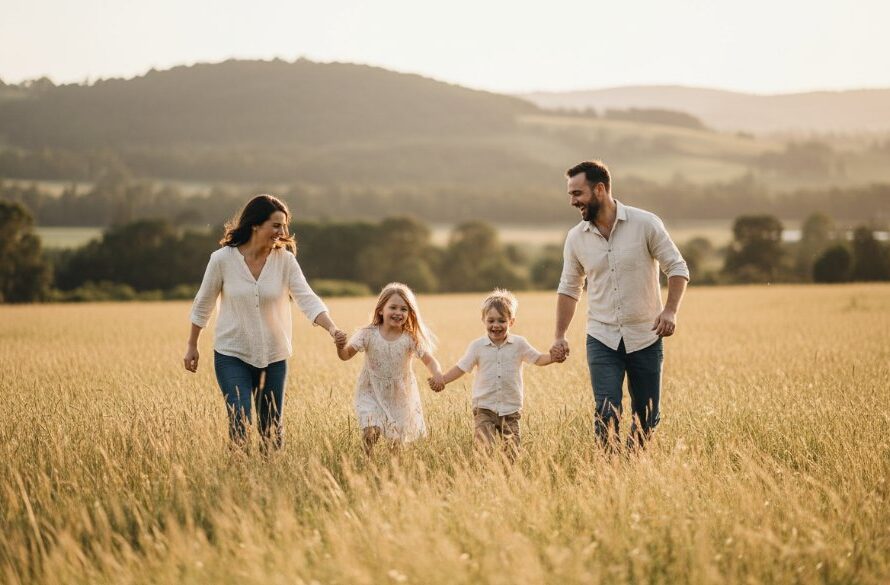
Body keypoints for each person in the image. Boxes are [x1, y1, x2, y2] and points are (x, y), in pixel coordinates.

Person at [184, 194, 347, 451]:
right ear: (255, 225)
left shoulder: (285, 261)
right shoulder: (222, 260)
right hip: (231, 354)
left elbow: (307, 299)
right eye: (276, 225)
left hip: (274, 356)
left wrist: (332, 328)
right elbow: (203, 303)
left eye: (284, 225)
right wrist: (192, 345)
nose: (282, 232)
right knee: (240, 417)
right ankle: (240, 476)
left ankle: (270, 476)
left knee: (270, 426)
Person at [551, 160, 689, 450]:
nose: (573, 201)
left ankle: (633, 464)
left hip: (646, 337)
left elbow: (677, 267)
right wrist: (560, 335)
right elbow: (569, 288)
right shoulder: (576, 238)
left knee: (647, 416)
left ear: (599, 189)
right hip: (601, 338)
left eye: (578, 193)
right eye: (570, 195)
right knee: (606, 411)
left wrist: (670, 310)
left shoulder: (645, 224)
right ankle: (608, 471)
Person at [432, 289, 563, 456]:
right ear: (483, 321)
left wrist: (553, 357)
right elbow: (461, 367)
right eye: (491, 320)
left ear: (511, 322)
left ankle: (507, 477)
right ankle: (485, 475)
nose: (496, 325)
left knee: (512, 451)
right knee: (484, 448)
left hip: (511, 409)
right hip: (484, 407)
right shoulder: (477, 346)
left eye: (502, 321)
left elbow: (538, 359)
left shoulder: (519, 344)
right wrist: (443, 379)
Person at [336, 282, 444, 454]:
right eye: (393, 307)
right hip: (371, 390)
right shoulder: (368, 334)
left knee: (396, 444)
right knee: (372, 430)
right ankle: (367, 461)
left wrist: (437, 374)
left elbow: (430, 361)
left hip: (400, 395)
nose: (398, 312)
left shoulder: (410, 338)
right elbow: (346, 355)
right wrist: (340, 346)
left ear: (409, 314)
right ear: (381, 309)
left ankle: (393, 472)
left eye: (403, 309)